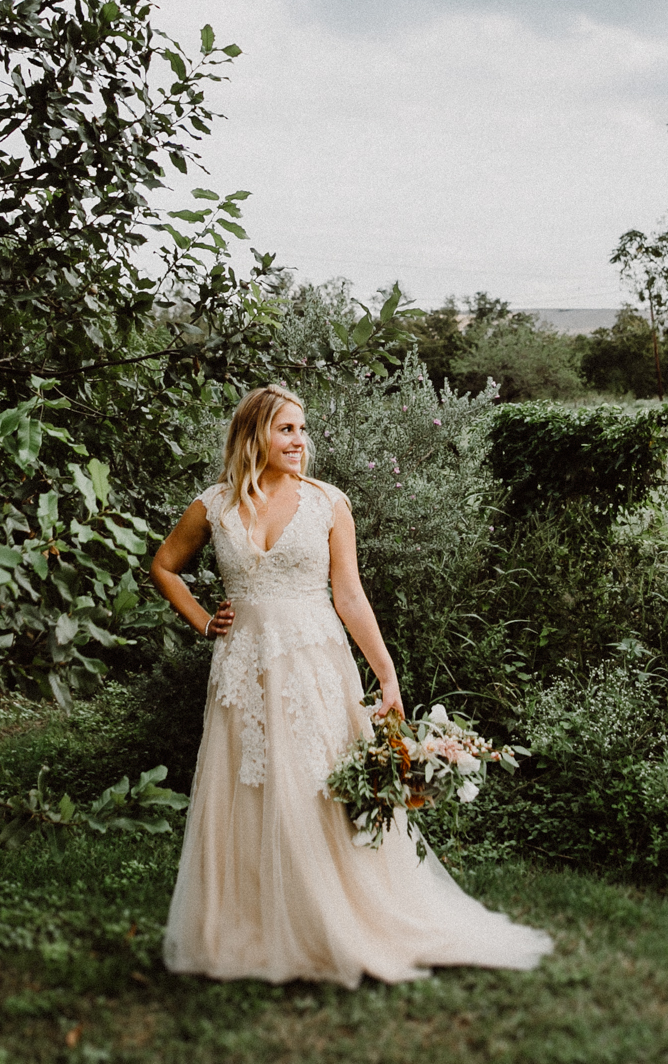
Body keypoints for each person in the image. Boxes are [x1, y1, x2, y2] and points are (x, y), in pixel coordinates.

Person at [149, 384, 553, 985]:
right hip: (242, 673)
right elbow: (163, 565)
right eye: (287, 429)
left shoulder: (327, 503)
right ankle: (250, 923)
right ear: (255, 433)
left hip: (313, 667)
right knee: (247, 789)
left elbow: (350, 595)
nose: (300, 441)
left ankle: (330, 921)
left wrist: (387, 675)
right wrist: (204, 620)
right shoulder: (214, 505)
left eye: (303, 430)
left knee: (315, 787)